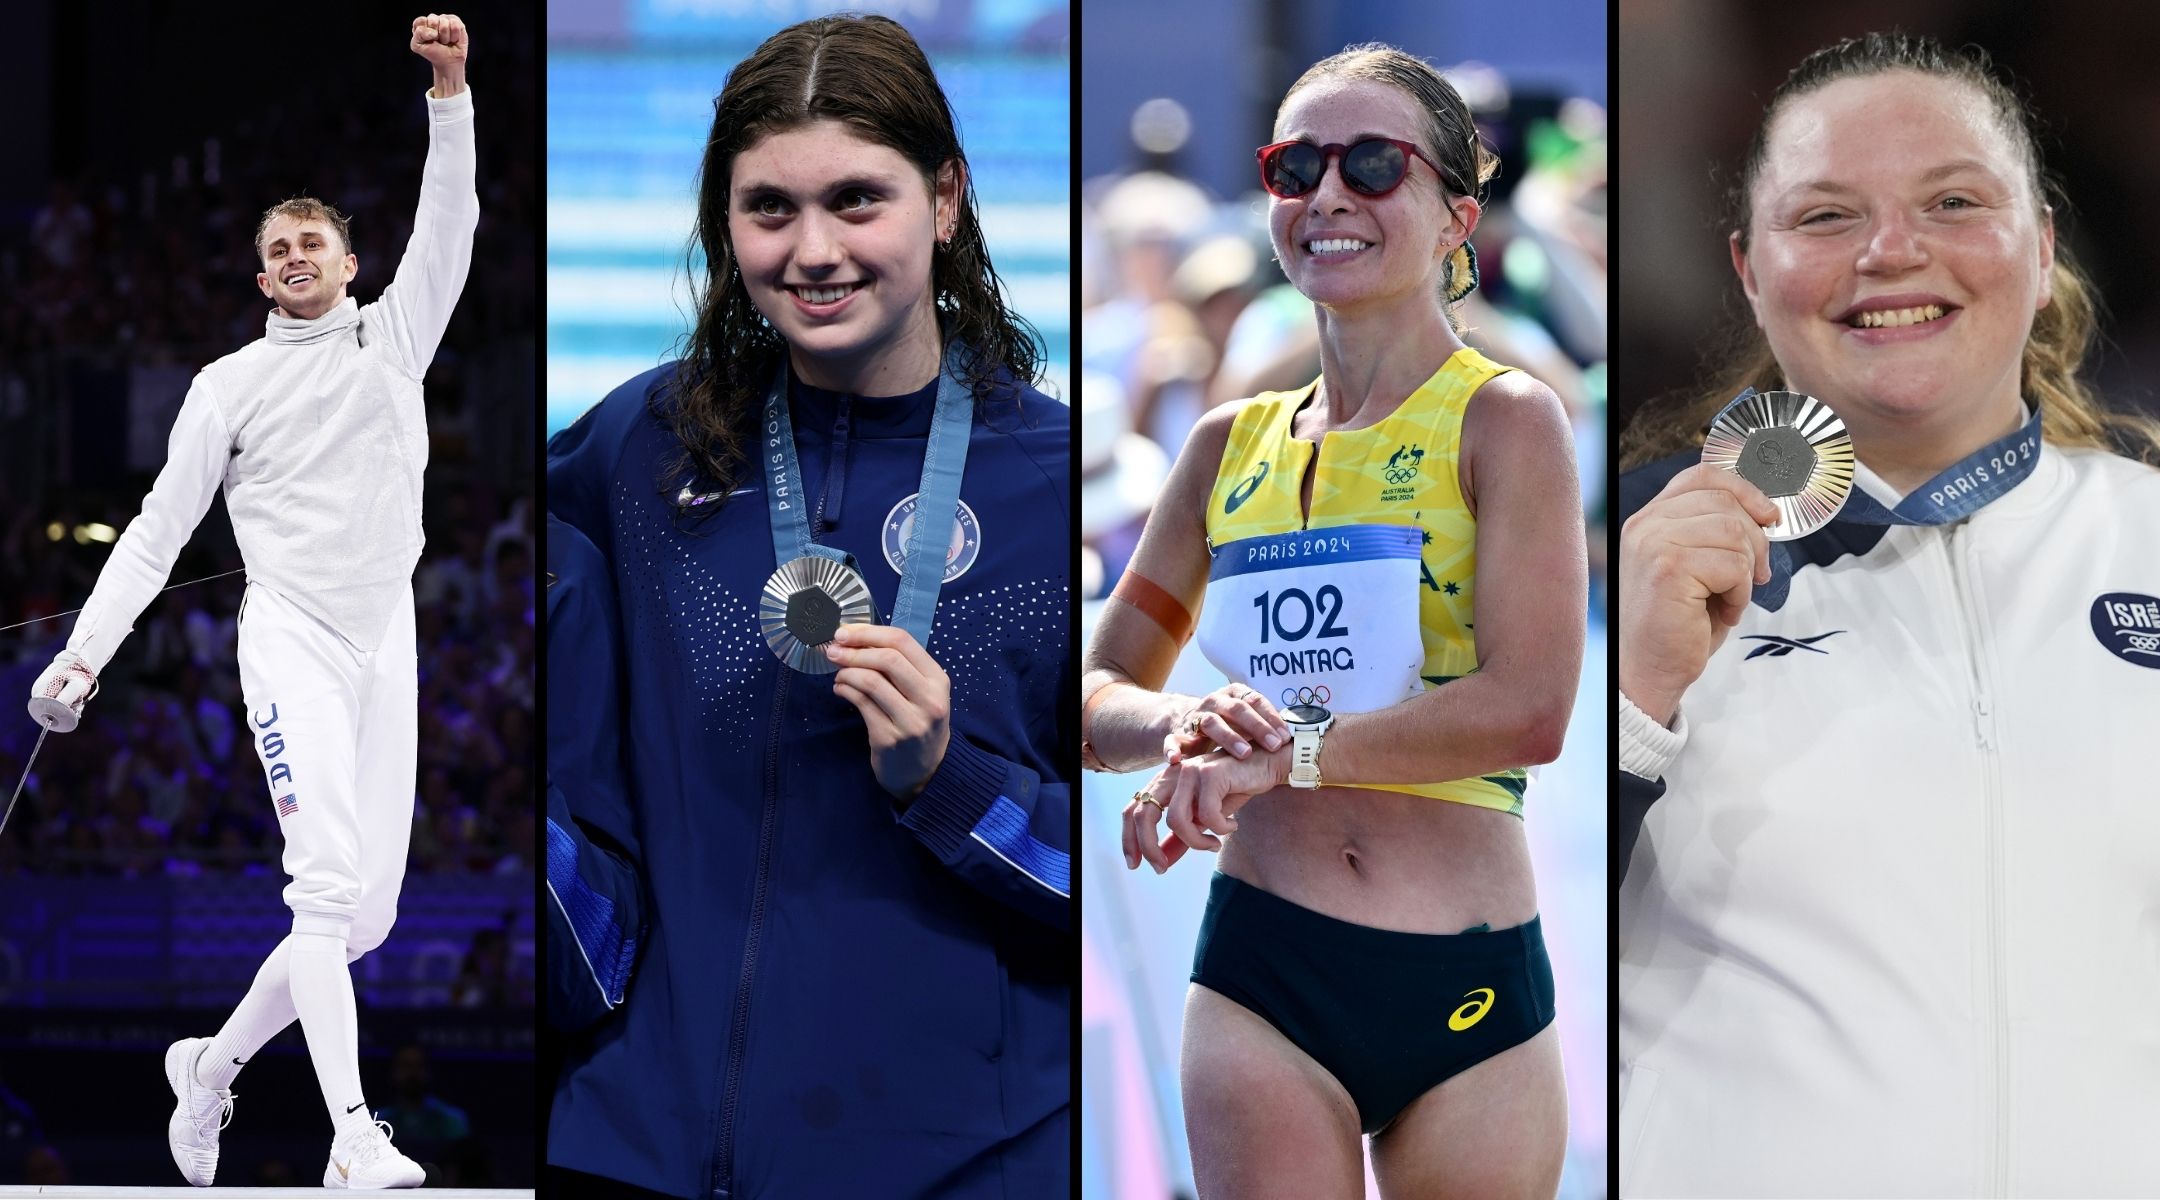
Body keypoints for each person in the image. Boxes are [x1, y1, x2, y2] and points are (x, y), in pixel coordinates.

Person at [1615, 32, 2160, 1197]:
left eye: (1953, 200)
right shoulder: (1613, 554)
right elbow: (1494, 942)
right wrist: (1629, 710)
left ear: (2044, 244)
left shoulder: (2148, 536)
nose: (1891, 252)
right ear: (1751, 272)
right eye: (1824, 217)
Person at [544, 14, 1071, 1198]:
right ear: (723, 225)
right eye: (768, 208)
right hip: (636, 1151)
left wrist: (955, 785)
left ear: (945, 200)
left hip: (961, 1163)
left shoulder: (1058, 483)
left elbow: (1127, 878)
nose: (812, 249)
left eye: (857, 200)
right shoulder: (634, 448)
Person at [1081, 44, 1585, 1200]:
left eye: (1371, 163)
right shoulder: (1225, 444)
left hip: (1470, 991)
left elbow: (1531, 712)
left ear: (1457, 214)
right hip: (1268, 978)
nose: (1328, 197)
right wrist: (1182, 727)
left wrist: (1282, 756)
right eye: (1295, 164)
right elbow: (1095, 690)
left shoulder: (1507, 422)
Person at [25, 13, 478, 1190]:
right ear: (259, 270)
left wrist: (449, 95)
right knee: (322, 890)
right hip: (291, 641)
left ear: (348, 261)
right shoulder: (225, 385)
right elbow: (157, 534)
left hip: (390, 634)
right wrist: (81, 658)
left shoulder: (395, 341)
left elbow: (454, 226)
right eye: (276, 245)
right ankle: (353, 1135)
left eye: (312, 241)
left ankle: (210, 1069)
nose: (293, 256)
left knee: (362, 923)